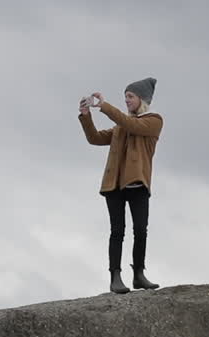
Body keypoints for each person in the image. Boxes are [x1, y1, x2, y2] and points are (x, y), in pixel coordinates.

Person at [78, 77, 164, 294]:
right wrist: (87, 117)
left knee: (140, 231)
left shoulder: (153, 121)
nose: (126, 100)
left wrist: (104, 106)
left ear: (142, 99)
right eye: (125, 96)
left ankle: (138, 274)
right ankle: (115, 276)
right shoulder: (120, 126)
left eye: (130, 96)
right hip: (114, 186)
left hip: (137, 185)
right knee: (117, 232)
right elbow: (95, 138)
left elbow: (132, 125)